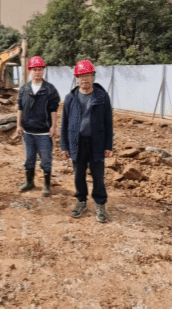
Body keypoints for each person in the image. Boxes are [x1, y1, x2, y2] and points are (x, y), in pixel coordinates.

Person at [61, 60, 113, 223]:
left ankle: (100, 204)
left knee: (98, 176)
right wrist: (64, 146)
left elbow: (108, 122)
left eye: (88, 75)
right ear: (77, 78)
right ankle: (81, 201)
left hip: (97, 142)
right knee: (79, 175)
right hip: (77, 143)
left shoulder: (102, 97)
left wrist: (108, 145)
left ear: (93, 76)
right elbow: (65, 123)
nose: (85, 79)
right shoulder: (70, 98)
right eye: (81, 76)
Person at [16, 56, 61, 196]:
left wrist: (53, 126)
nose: (37, 72)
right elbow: (20, 108)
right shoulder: (24, 89)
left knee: (46, 159)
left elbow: (53, 109)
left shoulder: (49, 89)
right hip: (28, 133)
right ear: (29, 71)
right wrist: (18, 125)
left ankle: (47, 185)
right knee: (29, 159)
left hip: (44, 133)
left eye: (40, 69)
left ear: (43, 71)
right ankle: (29, 182)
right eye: (34, 69)